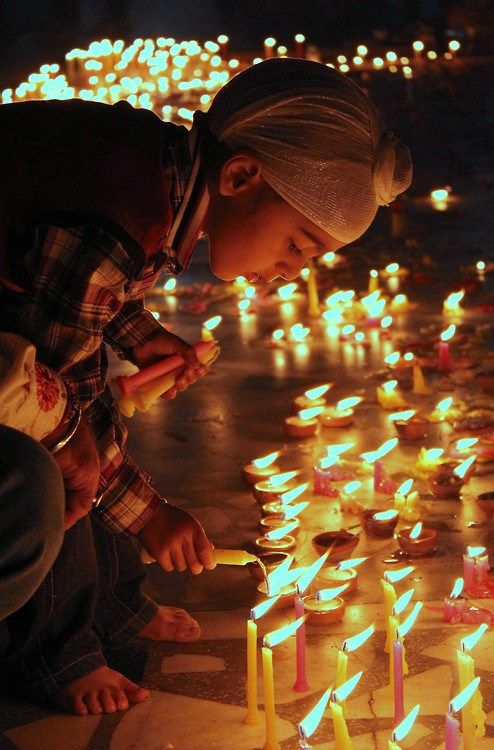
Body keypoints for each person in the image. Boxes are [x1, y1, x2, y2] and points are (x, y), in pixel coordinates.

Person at [0, 57, 412, 716]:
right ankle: (55, 649)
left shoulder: (156, 179)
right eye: (297, 246)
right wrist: (151, 515)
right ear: (242, 175)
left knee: (96, 420)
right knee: (66, 462)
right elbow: (61, 401)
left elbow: (70, 277)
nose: (286, 273)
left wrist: (135, 333)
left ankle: (111, 602)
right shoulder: (119, 214)